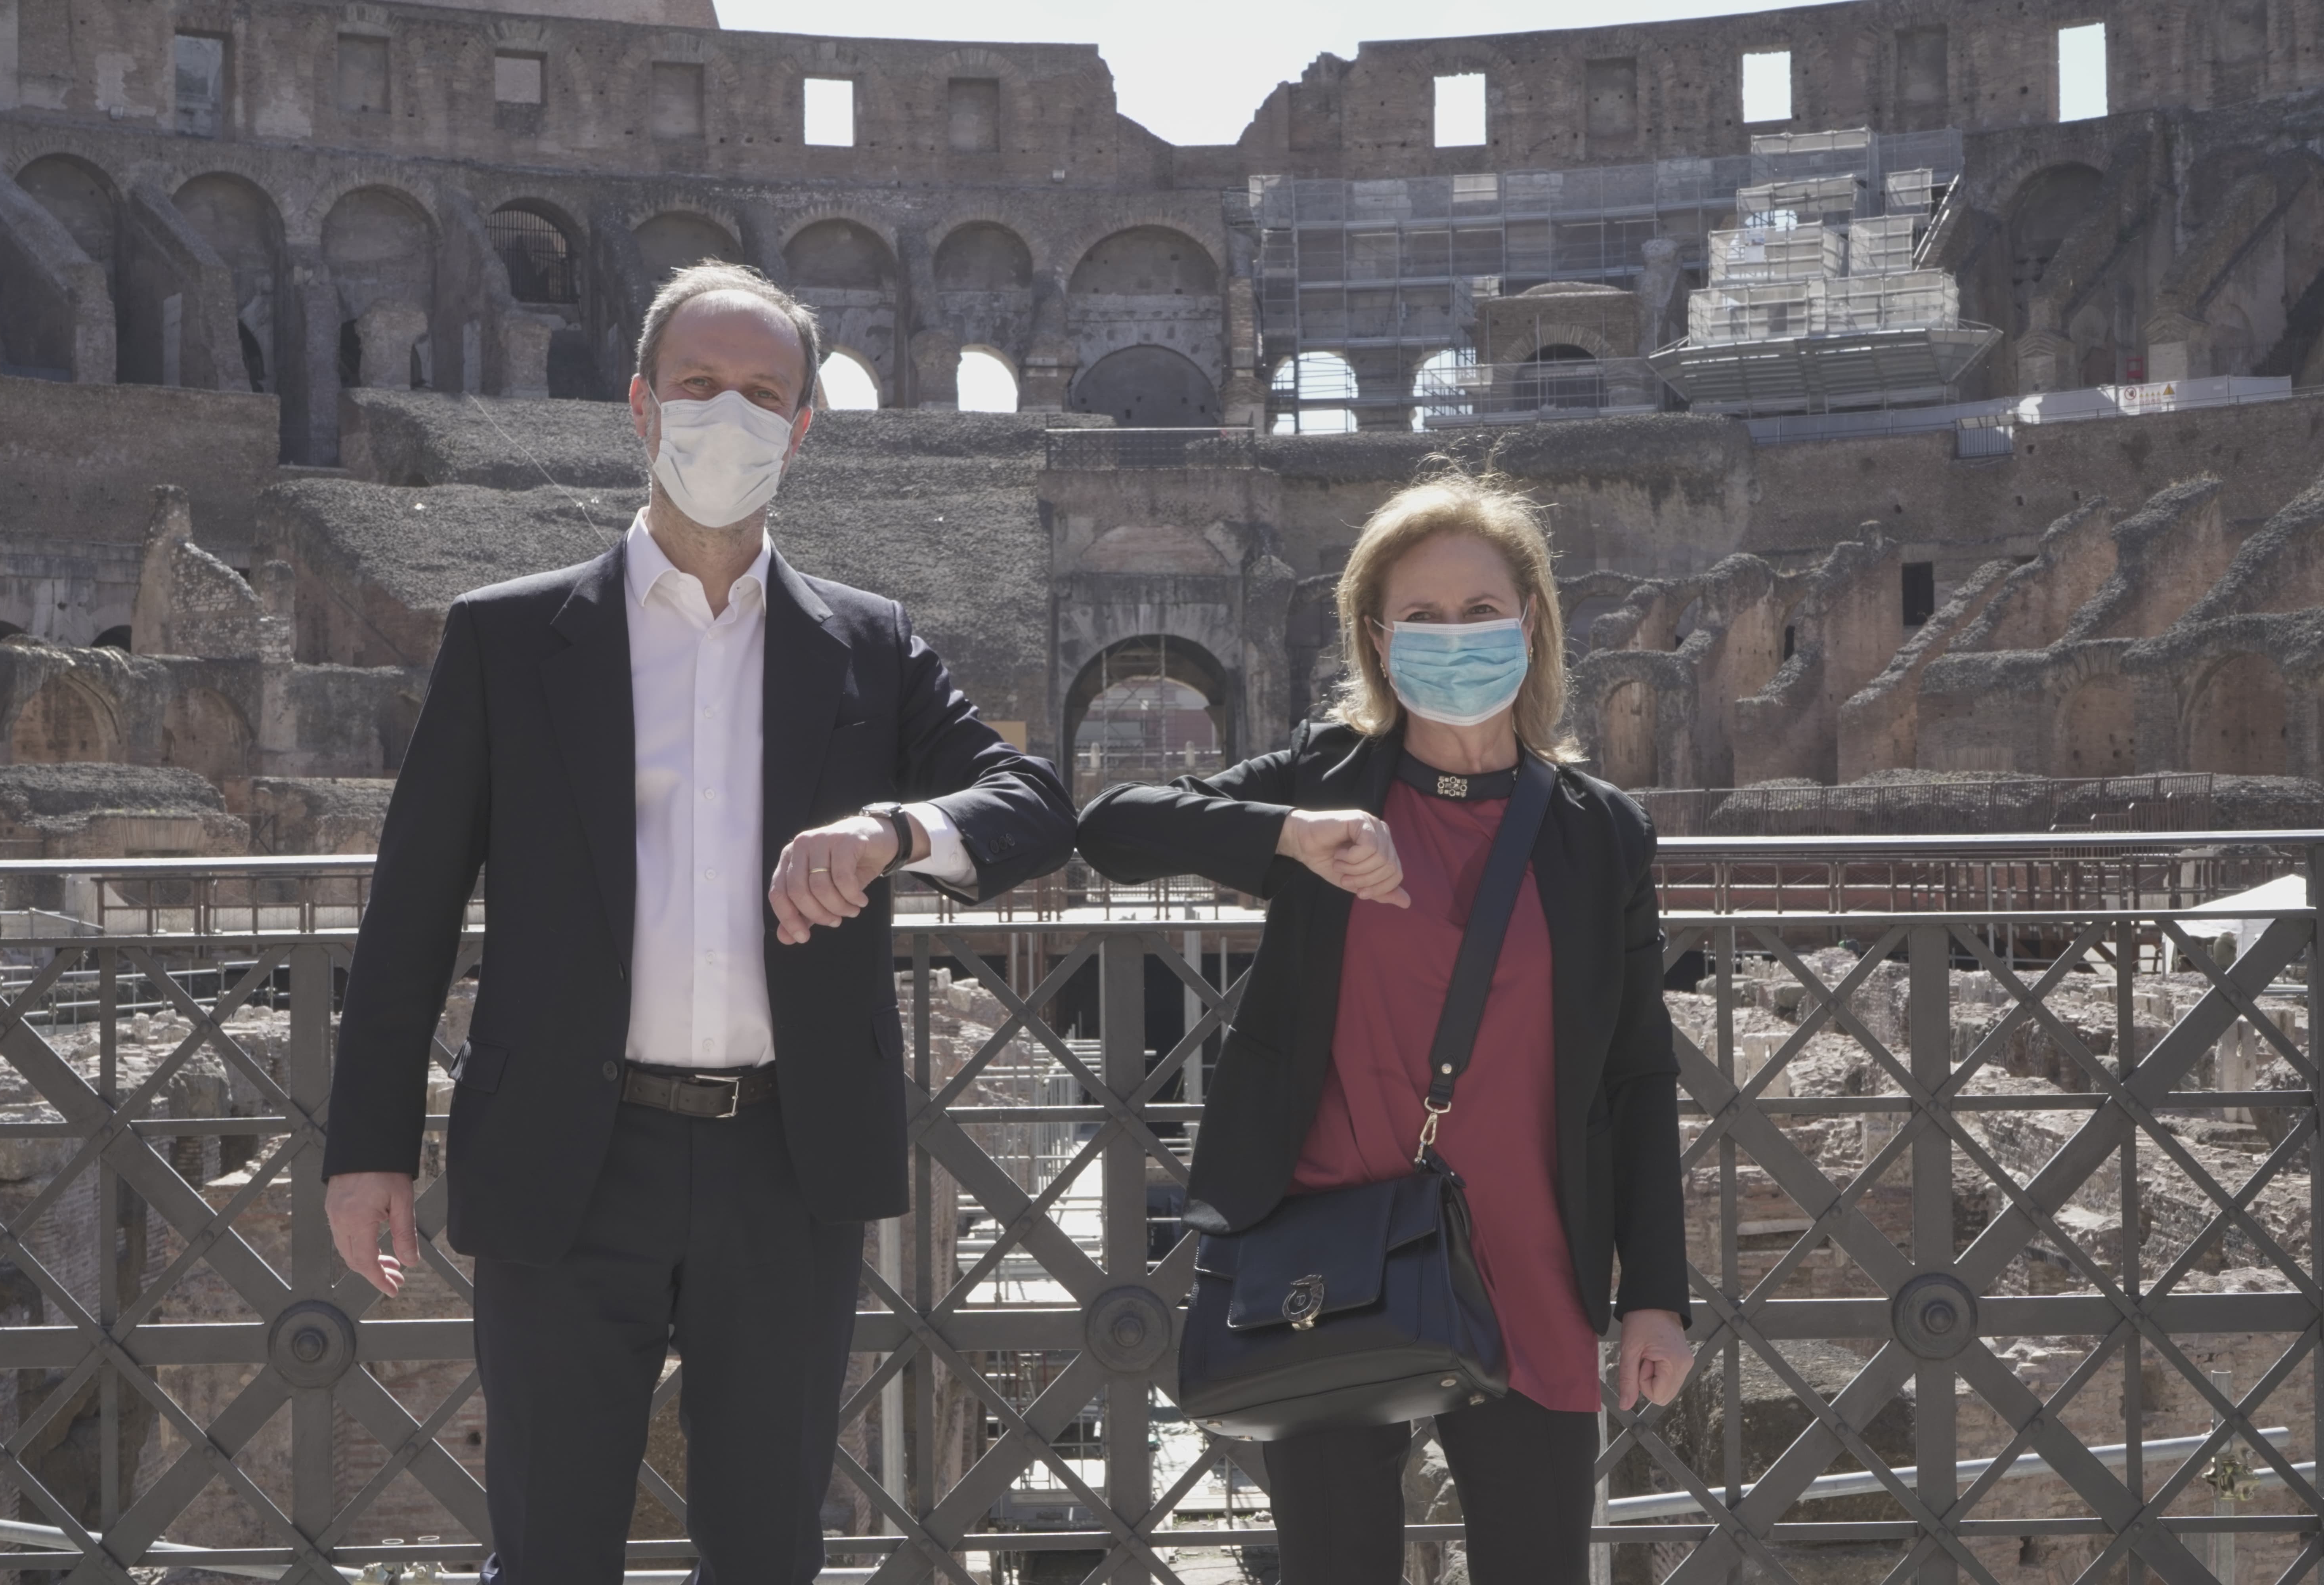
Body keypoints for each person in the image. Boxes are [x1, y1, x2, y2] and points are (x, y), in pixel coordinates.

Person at [321, 262, 1076, 1585]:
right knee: (550, 1550)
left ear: (802, 429)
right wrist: (368, 1145)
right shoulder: (508, 638)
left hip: (787, 1159)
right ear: (641, 408)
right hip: (569, 1146)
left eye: (763, 394)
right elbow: (414, 903)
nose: (729, 416)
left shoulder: (867, 644)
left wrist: (894, 831)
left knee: (769, 1548)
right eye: (699, 385)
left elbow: (1034, 805)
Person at [1075, 470, 1694, 1583]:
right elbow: (1112, 829)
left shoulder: (1601, 834)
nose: (1454, 636)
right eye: (1423, 615)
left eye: (1480, 610)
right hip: (1332, 1263)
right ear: (1377, 637)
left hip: (1533, 1264)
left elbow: (1639, 1072)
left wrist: (1654, 1293)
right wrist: (1288, 836)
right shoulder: (1327, 780)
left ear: (1530, 621)